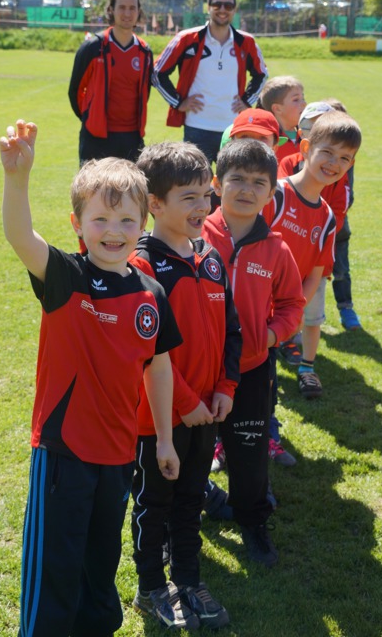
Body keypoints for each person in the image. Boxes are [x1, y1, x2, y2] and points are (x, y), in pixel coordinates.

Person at [0, 119, 181, 637]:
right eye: (100, 219)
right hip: (64, 454)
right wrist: (17, 179)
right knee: (54, 570)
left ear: (143, 223)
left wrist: (163, 439)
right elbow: (20, 236)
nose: (113, 231)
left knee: (100, 566)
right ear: (77, 224)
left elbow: (159, 365)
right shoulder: (67, 277)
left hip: (119, 455)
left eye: (126, 219)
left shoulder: (150, 293)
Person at [129, 141, 241, 630]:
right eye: (188, 197)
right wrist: (187, 401)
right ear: (155, 204)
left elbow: (232, 330)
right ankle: (151, 586)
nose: (202, 206)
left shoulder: (211, 258)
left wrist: (226, 388)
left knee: (192, 500)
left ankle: (190, 580)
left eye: (205, 194)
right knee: (155, 504)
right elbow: (148, 353)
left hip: (207, 412)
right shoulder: (142, 266)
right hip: (158, 418)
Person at [203, 139, 305, 565]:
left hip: (251, 368)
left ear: (271, 193)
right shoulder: (193, 236)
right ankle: (180, 521)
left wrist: (270, 336)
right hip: (196, 370)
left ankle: (252, 521)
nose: (246, 190)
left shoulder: (277, 249)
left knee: (249, 451)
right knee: (189, 451)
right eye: (237, 179)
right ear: (216, 184)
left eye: (258, 183)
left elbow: (292, 304)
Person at [263, 110, 362, 398]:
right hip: (252, 307)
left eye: (344, 158)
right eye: (327, 152)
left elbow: (316, 273)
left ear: (351, 164)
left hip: (284, 312)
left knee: (263, 384)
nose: (334, 163)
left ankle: (269, 417)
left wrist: (294, 312)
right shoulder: (275, 195)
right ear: (305, 148)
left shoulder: (328, 218)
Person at [152, 0, 268, 163]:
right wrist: (178, 103)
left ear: (234, 9)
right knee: (196, 179)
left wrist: (247, 101)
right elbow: (157, 72)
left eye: (228, 5)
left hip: (233, 128)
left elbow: (262, 74)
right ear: (208, 7)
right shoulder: (187, 38)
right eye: (217, 4)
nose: (222, 9)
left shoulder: (246, 41)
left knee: (231, 178)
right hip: (197, 126)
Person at [68, 0, 153, 164]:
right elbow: (75, 90)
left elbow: (146, 93)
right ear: (111, 10)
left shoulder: (144, 52)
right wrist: (90, 117)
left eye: (132, 8)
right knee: (92, 183)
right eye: (122, 7)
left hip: (132, 139)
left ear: (139, 12)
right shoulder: (93, 47)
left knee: (134, 183)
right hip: (96, 138)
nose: (127, 13)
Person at [323, 98, 362, 330]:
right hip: (307, 227)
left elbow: (349, 194)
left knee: (341, 271)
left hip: (338, 228)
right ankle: (308, 317)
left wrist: (334, 218)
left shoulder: (347, 160)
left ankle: (346, 308)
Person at [257, 75, 306, 164]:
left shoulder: (308, 135)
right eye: (296, 100)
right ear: (277, 109)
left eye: (303, 98)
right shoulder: (268, 141)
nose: (304, 103)